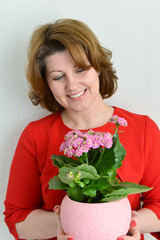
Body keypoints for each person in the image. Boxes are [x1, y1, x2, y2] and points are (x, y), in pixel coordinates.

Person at [4, 18, 160, 240]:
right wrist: (67, 222)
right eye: (58, 77)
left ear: (97, 66)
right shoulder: (35, 136)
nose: (72, 85)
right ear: (47, 84)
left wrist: (130, 223)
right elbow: (16, 217)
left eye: (80, 70)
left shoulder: (143, 129)